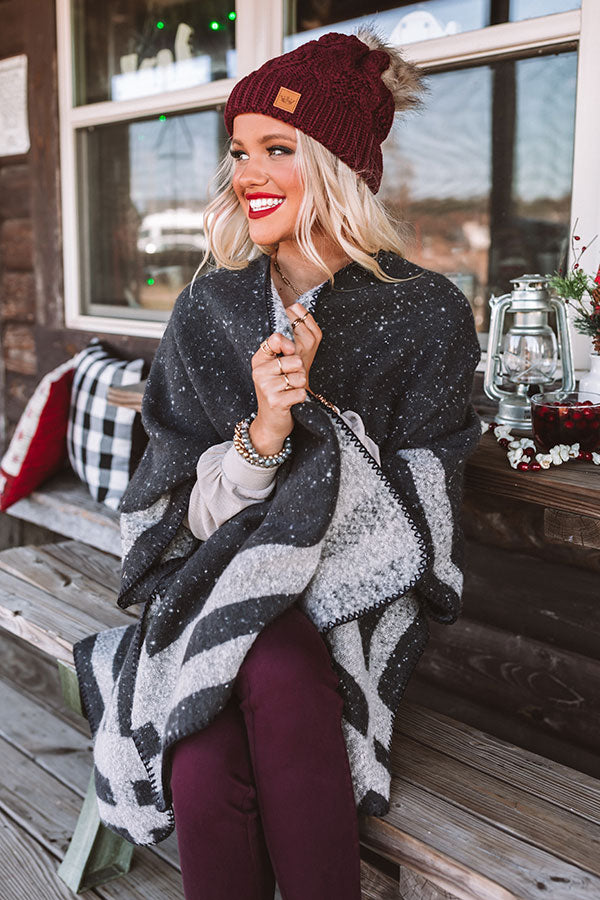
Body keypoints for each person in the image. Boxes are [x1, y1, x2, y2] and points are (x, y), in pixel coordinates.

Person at [73, 28, 481, 900]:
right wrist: (266, 429)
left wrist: (322, 427)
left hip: (349, 607)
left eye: (277, 149)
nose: (246, 174)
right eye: (239, 151)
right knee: (218, 740)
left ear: (339, 163)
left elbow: (426, 510)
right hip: (206, 587)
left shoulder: (426, 313)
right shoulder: (209, 308)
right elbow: (173, 512)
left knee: (255, 692)